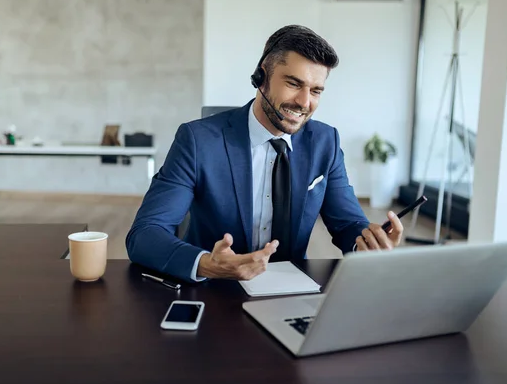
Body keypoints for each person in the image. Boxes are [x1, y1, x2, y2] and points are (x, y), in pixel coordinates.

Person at [126, 25, 404, 283]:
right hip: (217, 289)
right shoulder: (198, 141)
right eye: (294, 84)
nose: (305, 102)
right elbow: (145, 233)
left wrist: (367, 242)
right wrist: (205, 264)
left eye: (316, 90)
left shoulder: (325, 142)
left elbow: (348, 223)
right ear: (262, 77)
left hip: (293, 287)